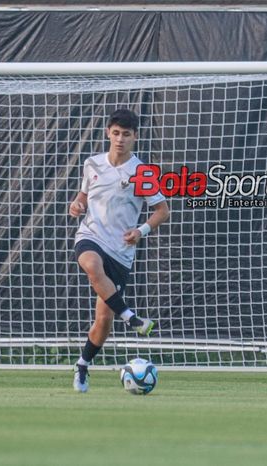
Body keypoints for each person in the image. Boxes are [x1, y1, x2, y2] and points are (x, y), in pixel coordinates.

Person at [68, 109, 169, 393]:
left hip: (121, 252)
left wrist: (141, 231)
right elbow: (83, 197)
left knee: (103, 321)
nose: (120, 139)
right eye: (116, 133)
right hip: (91, 236)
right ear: (107, 134)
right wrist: (76, 205)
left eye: (126, 134)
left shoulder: (142, 173)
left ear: (135, 137)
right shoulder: (93, 164)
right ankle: (132, 318)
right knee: (90, 263)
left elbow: (162, 211)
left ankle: (83, 365)